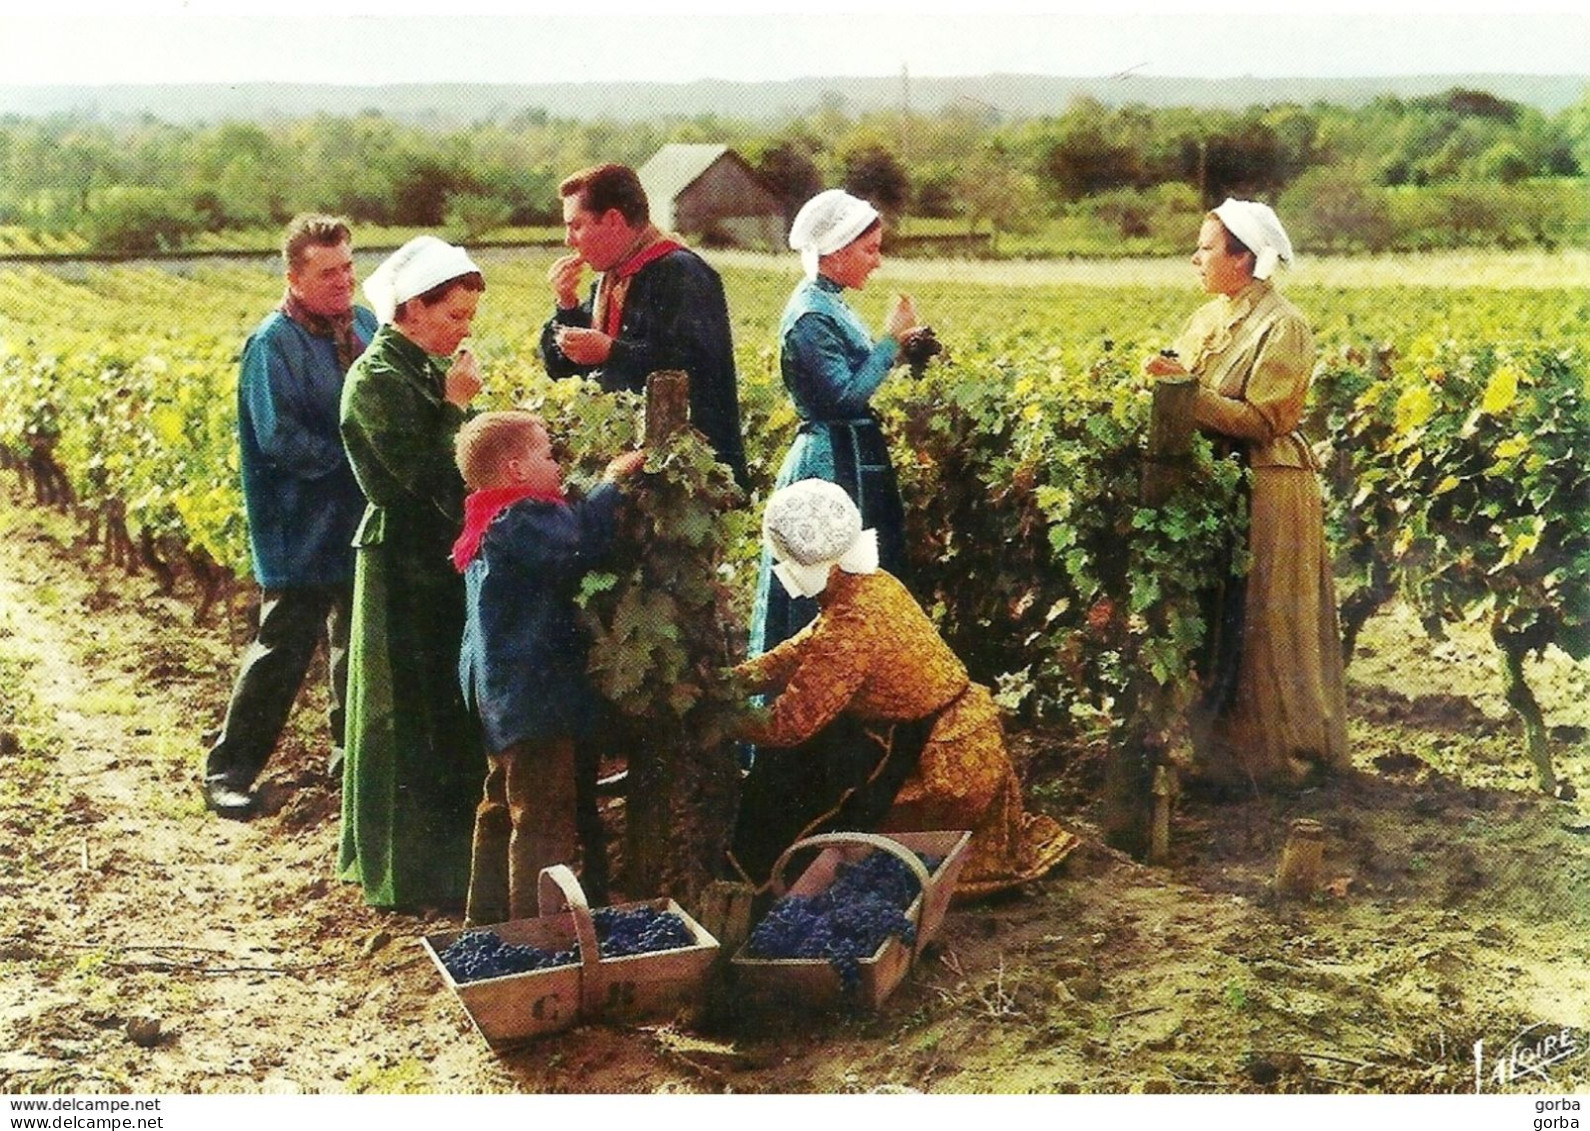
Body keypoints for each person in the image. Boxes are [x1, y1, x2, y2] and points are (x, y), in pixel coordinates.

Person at [729, 479, 1078, 898]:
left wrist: (716, 714)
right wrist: (734, 681)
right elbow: (803, 647)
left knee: (791, 784)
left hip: (945, 759)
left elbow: (787, 724)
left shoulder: (854, 622)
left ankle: (776, 882)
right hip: (938, 727)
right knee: (811, 761)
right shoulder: (869, 583)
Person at [1143, 199, 1349, 792]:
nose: (1195, 258)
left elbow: (1264, 419)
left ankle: (1279, 759)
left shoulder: (1283, 325)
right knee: (1217, 619)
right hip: (1219, 484)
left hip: (1268, 484)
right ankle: (1222, 758)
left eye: (1206, 248)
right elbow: (1185, 378)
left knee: (1263, 617)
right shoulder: (1210, 317)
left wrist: (1181, 389)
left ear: (1243, 258)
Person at [202, 214, 378, 820]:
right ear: (295, 276)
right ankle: (228, 773)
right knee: (281, 651)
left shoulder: (364, 324)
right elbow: (280, 441)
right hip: (298, 526)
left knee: (356, 651)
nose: (343, 280)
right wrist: (360, 461)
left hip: (357, 519)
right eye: (328, 271)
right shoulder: (271, 343)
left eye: (349, 266)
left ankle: (348, 764)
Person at [337, 235, 487, 911]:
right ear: (411, 308)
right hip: (400, 558)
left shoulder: (419, 366)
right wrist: (458, 406)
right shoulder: (376, 379)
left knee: (439, 712)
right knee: (405, 713)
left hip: (432, 555)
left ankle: (443, 867)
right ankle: (405, 875)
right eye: (453, 316)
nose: (462, 331)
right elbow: (430, 475)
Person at [451, 411, 645, 923]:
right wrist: (611, 485)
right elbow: (578, 542)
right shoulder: (522, 518)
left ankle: (485, 921)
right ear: (516, 469)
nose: (558, 463)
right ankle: (534, 937)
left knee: (501, 806)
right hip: (534, 700)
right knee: (543, 818)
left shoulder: (489, 517)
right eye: (548, 454)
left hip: (499, 696)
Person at [748, 189, 925, 663]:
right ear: (838, 251)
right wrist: (889, 340)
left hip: (851, 456)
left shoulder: (829, 302)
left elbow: (854, 376)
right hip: (828, 464)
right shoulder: (809, 316)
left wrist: (903, 349)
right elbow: (843, 398)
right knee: (828, 591)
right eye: (870, 250)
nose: (878, 262)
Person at [539, 162, 748, 490]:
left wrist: (612, 352)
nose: (569, 240)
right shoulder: (608, 283)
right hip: (632, 472)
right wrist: (566, 305)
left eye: (576, 226)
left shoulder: (683, 273)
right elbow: (562, 373)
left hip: (690, 478)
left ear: (613, 221)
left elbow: (700, 367)